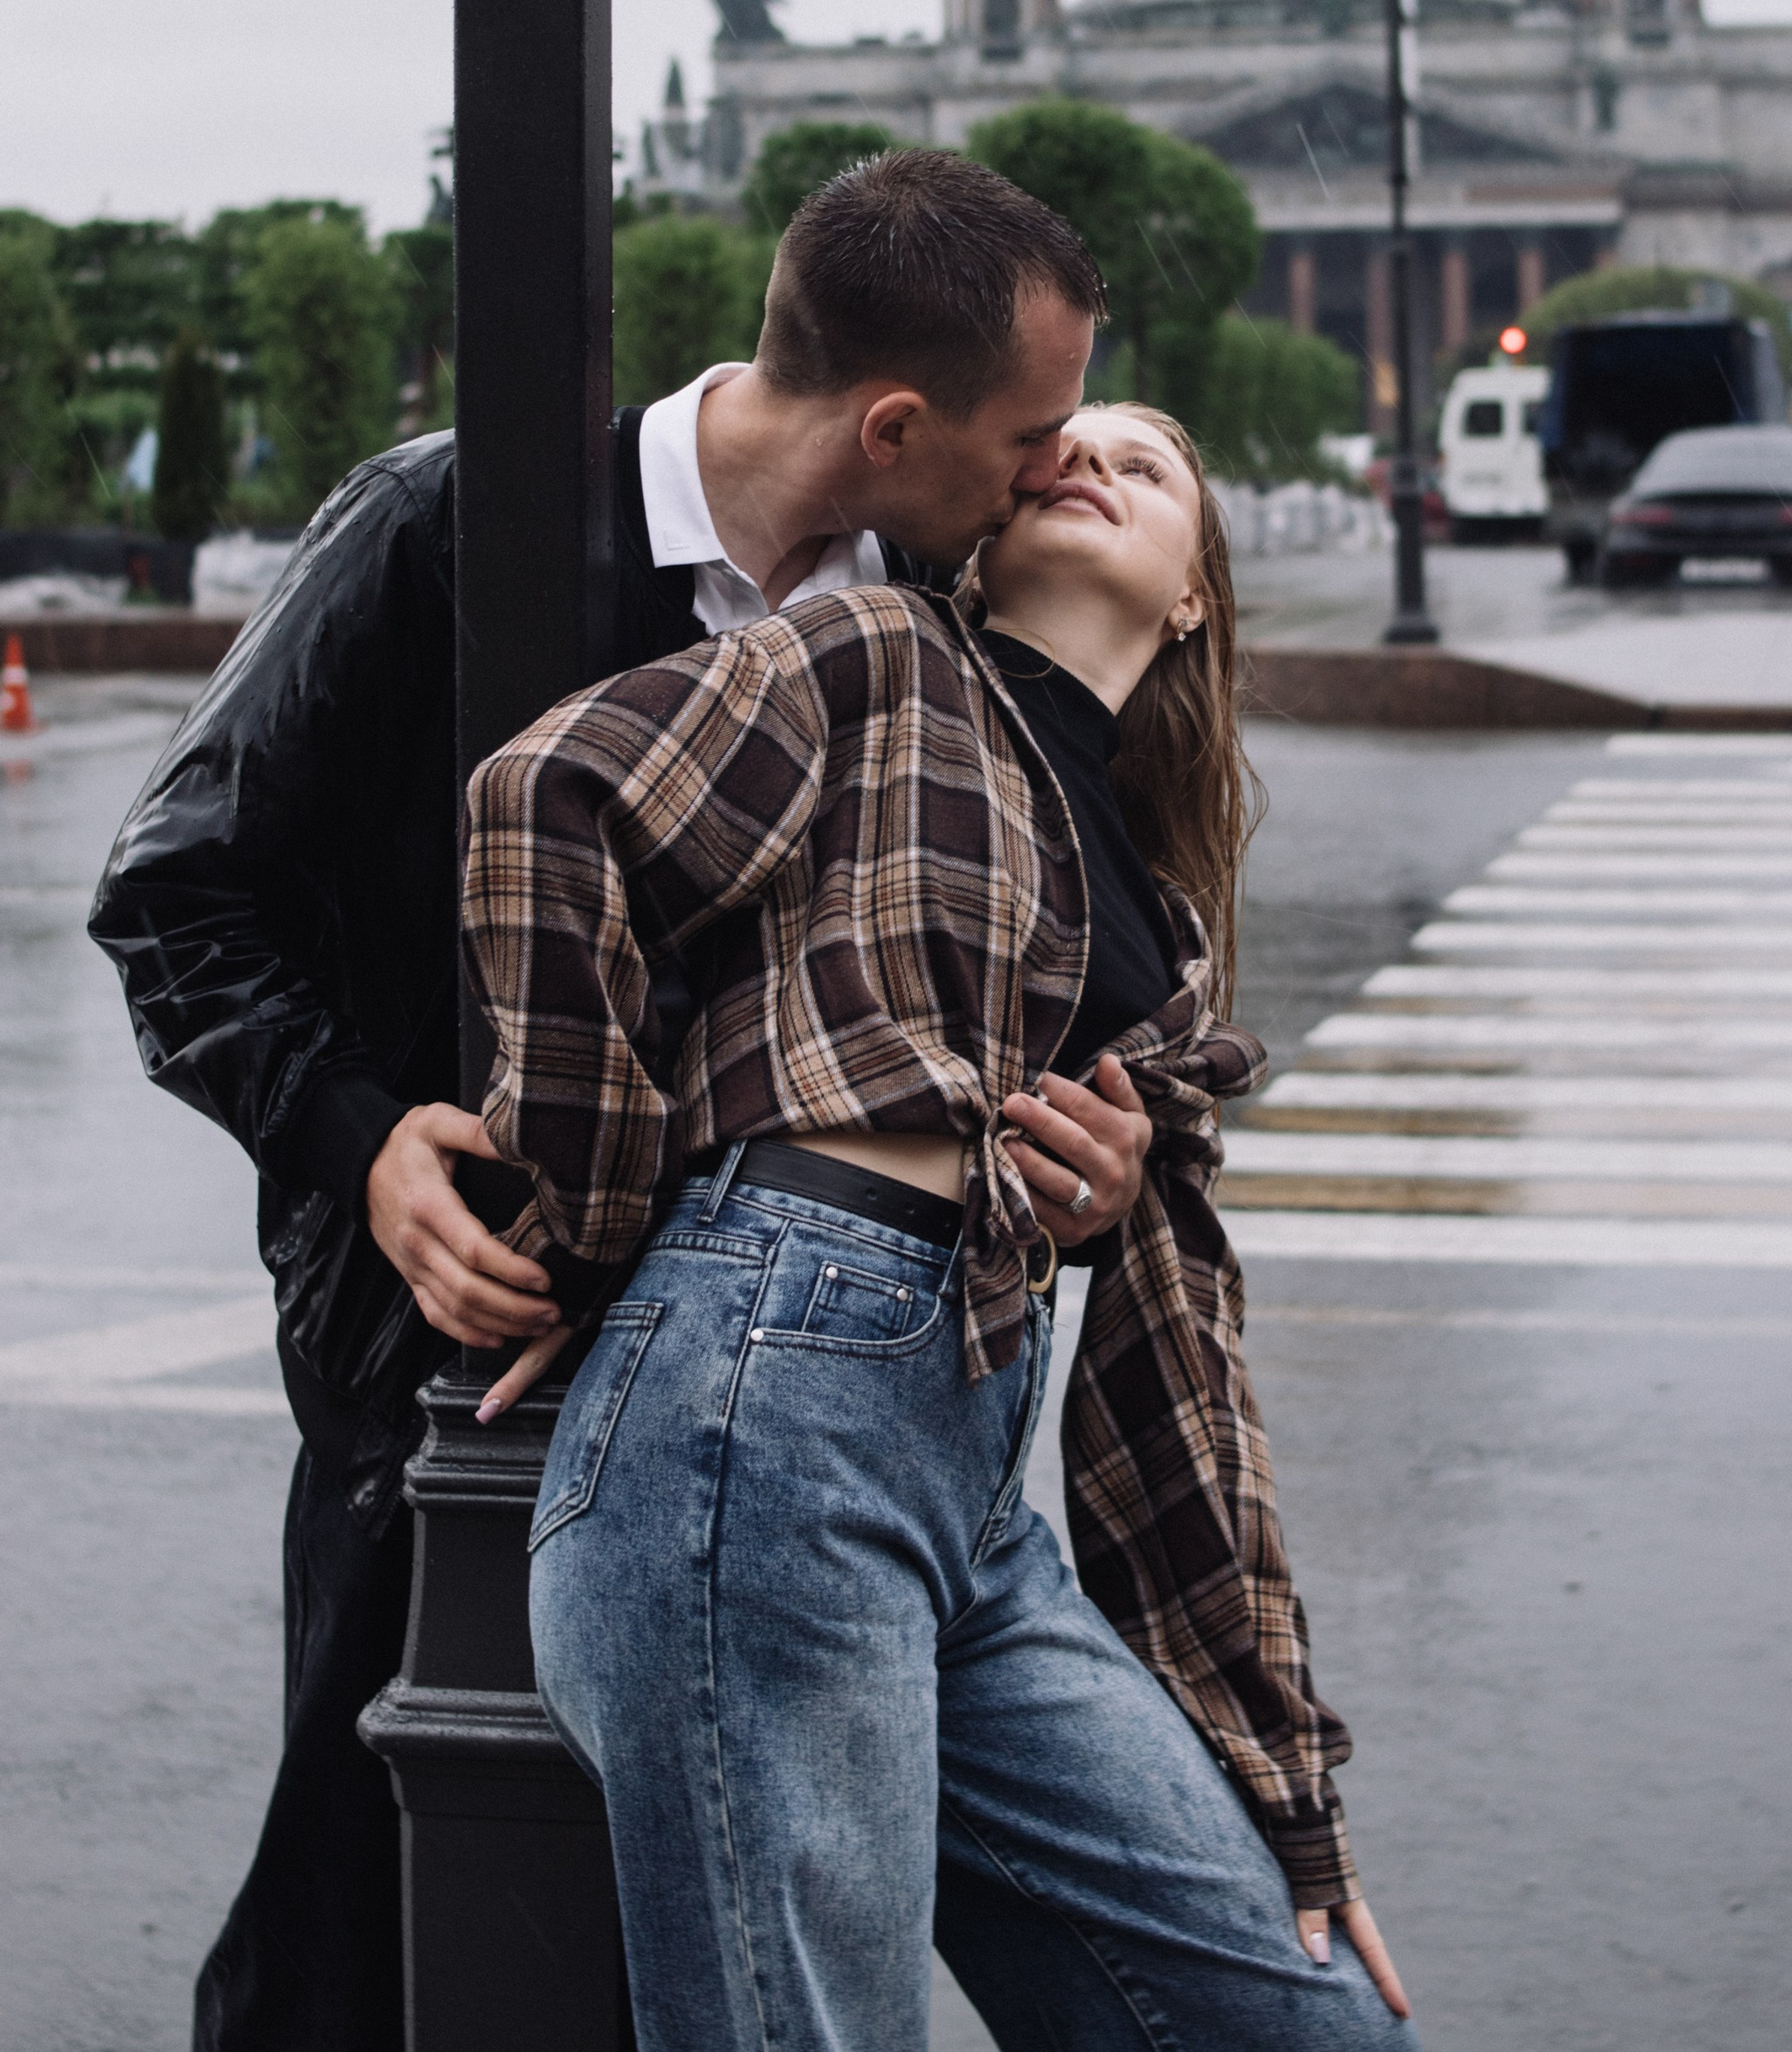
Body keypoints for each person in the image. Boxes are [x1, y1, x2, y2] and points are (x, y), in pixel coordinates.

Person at [87, 149, 1115, 2052]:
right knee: (356, 1904)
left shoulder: (955, 598)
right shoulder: (446, 521)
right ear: (893, 424)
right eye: (1030, 430)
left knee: (716, 1922)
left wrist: (1086, 1131)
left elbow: (990, 975)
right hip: (451, 1336)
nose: (1053, 470)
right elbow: (178, 892)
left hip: (795, 1397)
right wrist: (359, 1137)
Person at [464, 402, 1417, 2052]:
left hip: (969, 1496)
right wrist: (596, 1223)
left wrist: (1288, 1794)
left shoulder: (1165, 921)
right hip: (759, 1422)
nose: (1091, 467)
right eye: (1066, 444)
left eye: (1149, 465)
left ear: (1193, 594)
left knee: (1301, 2027)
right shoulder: (881, 656)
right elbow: (548, 802)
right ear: (974, 538)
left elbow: (1180, 1389)